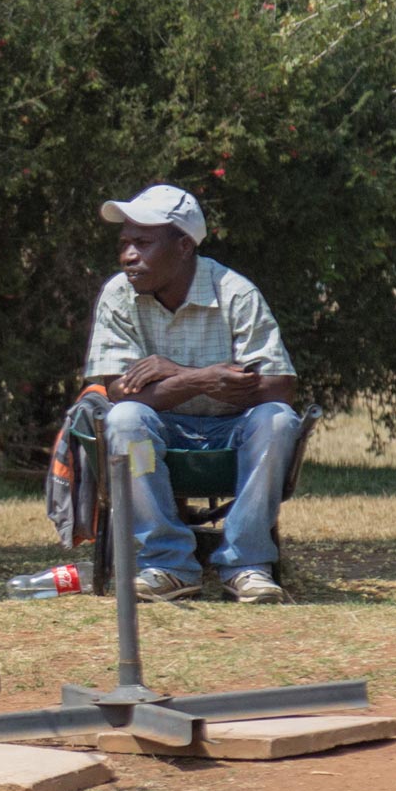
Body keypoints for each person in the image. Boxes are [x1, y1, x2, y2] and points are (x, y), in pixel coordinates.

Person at [84, 185, 301, 603]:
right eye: (124, 243)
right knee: (126, 421)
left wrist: (171, 374)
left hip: (232, 433)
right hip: (157, 438)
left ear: (184, 245)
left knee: (276, 419)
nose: (128, 255)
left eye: (142, 243)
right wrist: (200, 379)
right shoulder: (119, 294)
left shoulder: (235, 293)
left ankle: (247, 565)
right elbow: (120, 392)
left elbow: (280, 386)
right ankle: (167, 564)